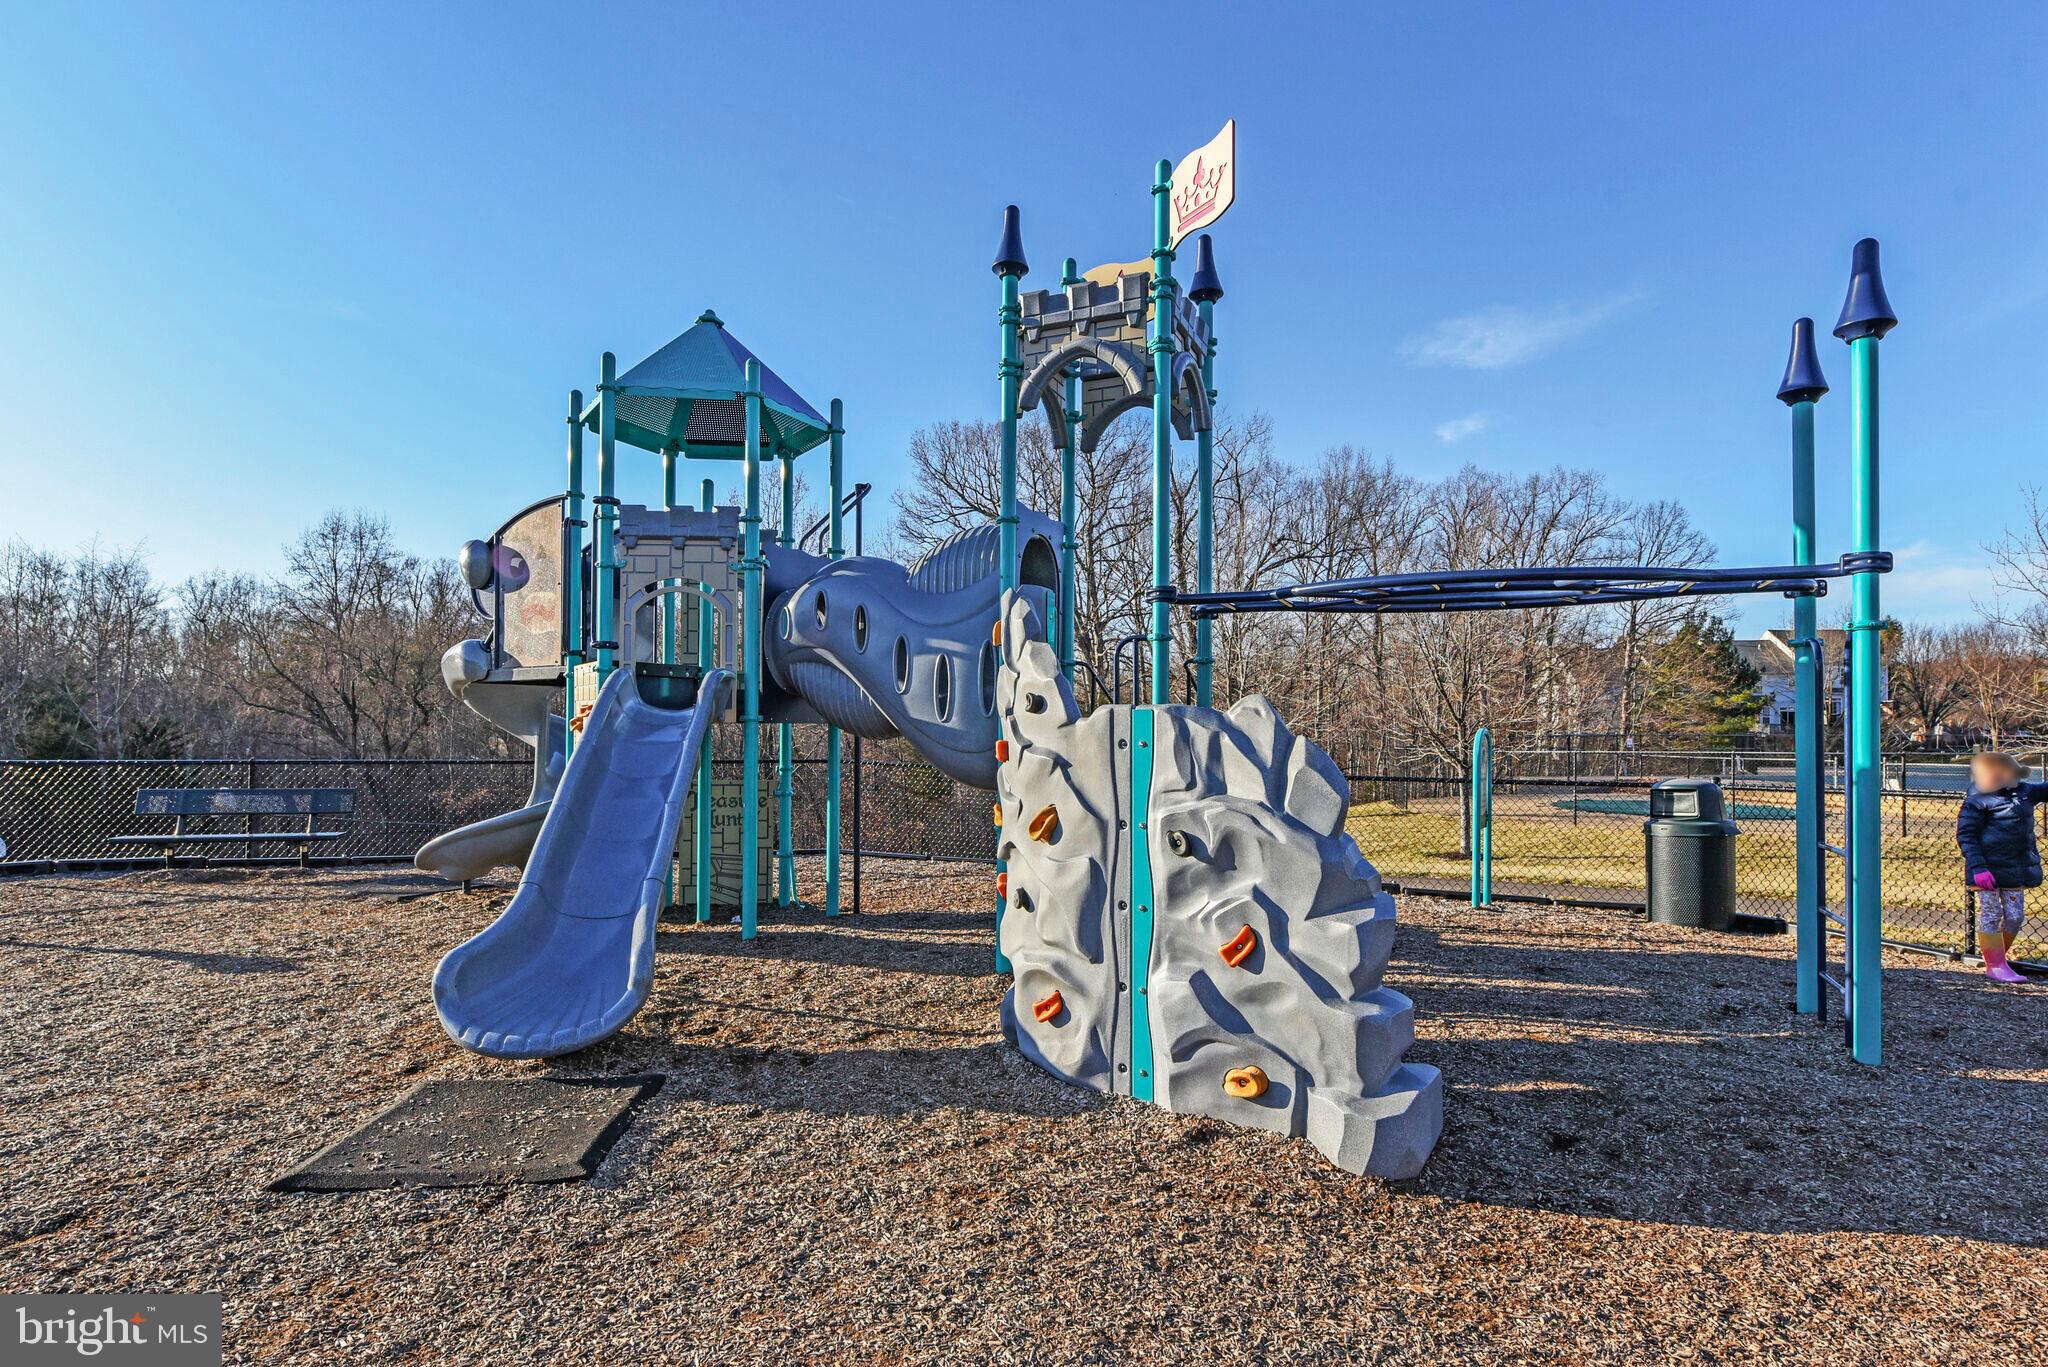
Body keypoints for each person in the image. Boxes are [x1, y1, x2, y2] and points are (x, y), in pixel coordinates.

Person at [1956, 751, 2041, 984]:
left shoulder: (2024, 792)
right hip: (1987, 869)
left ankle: (1997, 957)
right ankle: (1995, 965)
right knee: (1992, 914)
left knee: (2015, 917)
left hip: (2014, 868)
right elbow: (1966, 835)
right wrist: (1978, 867)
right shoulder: (1977, 800)